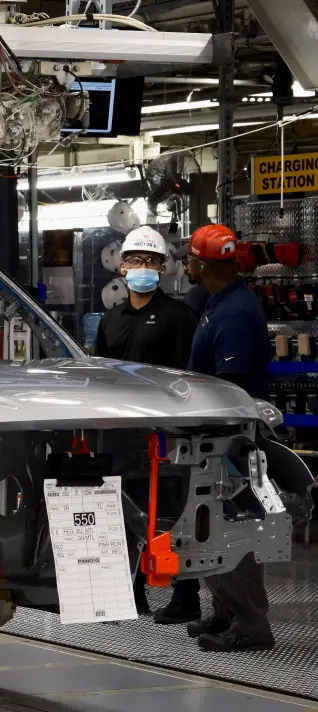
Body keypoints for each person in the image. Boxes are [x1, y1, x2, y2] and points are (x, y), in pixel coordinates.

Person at [93, 226, 202, 624]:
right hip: (121, 431)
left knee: (173, 509)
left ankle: (186, 594)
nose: (142, 268)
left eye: (150, 262)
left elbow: (188, 377)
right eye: (136, 261)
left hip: (166, 431)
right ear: (122, 267)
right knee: (124, 508)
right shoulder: (111, 320)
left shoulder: (178, 316)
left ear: (162, 268)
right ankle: (131, 591)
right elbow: (100, 374)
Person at [185, 222, 276, 652]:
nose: (186, 263)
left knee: (236, 525)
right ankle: (225, 612)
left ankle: (251, 625)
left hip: (232, 437)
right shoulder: (218, 301)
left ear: (202, 265)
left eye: (189, 257)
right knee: (211, 525)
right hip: (216, 435)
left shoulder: (235, 313)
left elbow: (230, 387)